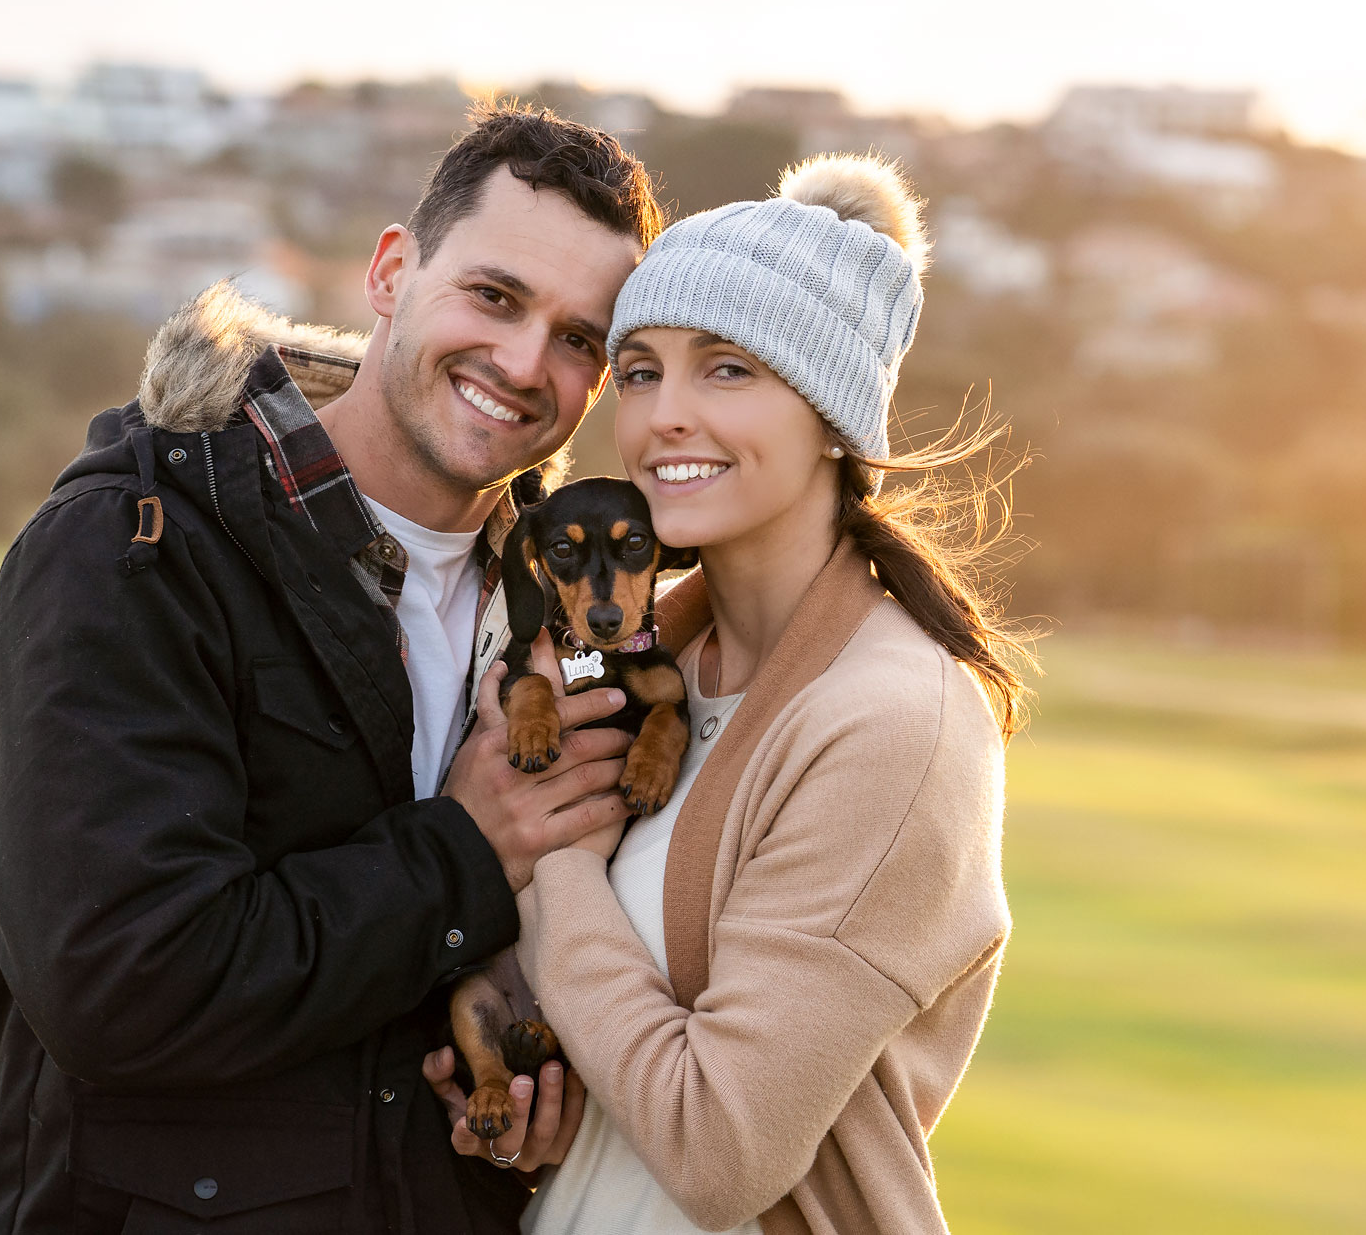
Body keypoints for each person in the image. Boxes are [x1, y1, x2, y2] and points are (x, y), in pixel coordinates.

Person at [0, 106, 657, 1234]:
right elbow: (121, 985)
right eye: (493, 295)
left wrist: (519, 1101)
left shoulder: (556, 609)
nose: (525, 362)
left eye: (579, 338)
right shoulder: (136, 546)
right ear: (390, 272)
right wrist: (463, 849)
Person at [432, 153, 1031, 1233]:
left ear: (831, 414)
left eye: (728, 370)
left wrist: (549, 848)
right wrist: (556, 1110)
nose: (664, 416)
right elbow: (631, 1049)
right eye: (642, 369)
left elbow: (717, 1151)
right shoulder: (638, 657)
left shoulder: (889, 721)